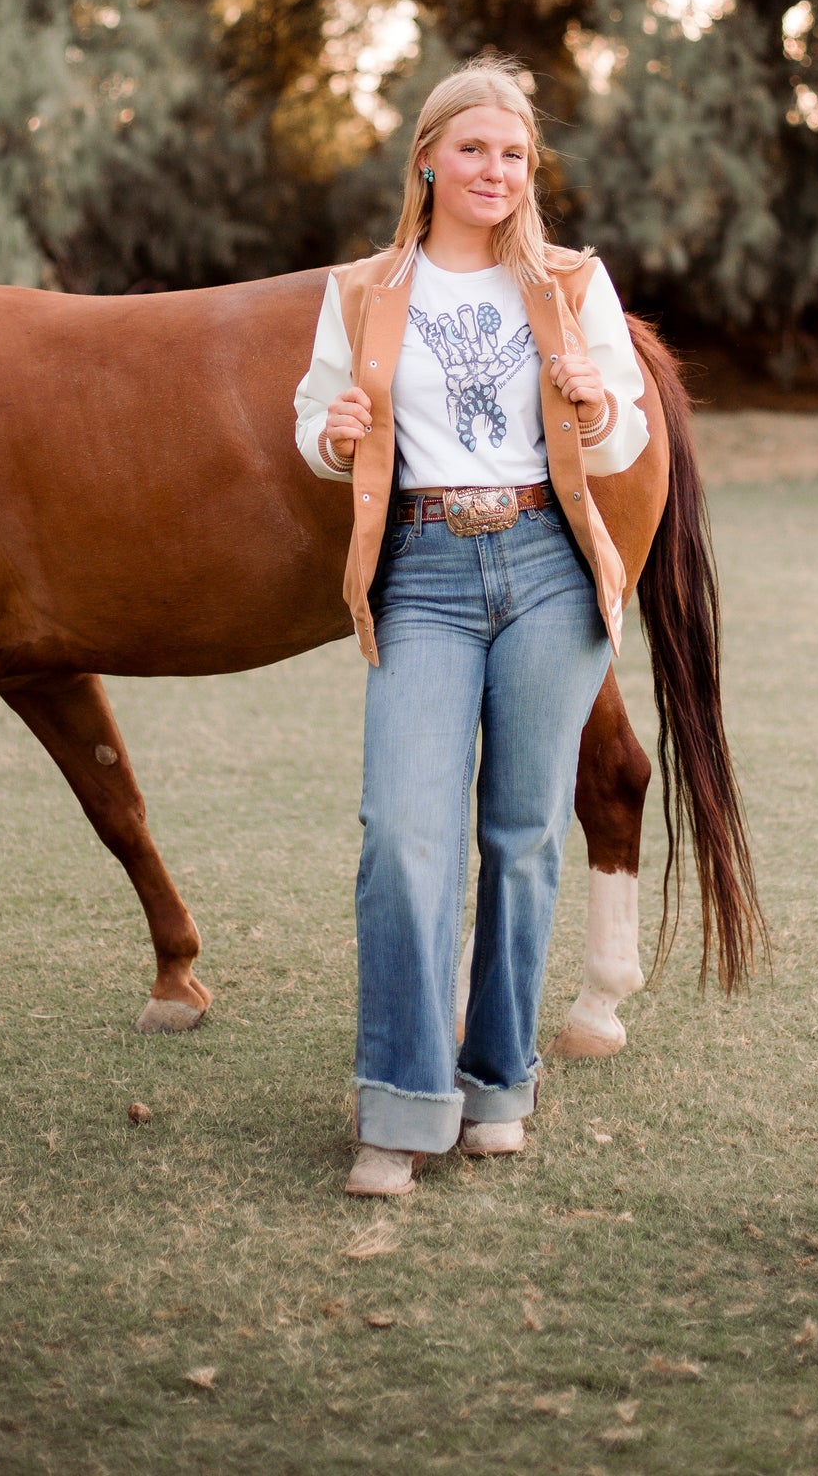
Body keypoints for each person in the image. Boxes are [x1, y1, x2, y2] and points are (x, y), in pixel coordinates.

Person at [293, 59, 650, 1197]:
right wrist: (335, 432)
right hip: (424, 571)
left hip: (547, 561)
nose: (494, 170)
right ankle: (400, 1103)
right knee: (402, 828)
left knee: (522, 833)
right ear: (429, 158)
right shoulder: (363, 288)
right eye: (473, 149)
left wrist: (597, 409)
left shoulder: (569, 280)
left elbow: (629, 434)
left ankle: (498, 1078)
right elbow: (314, 422)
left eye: (513, 152)